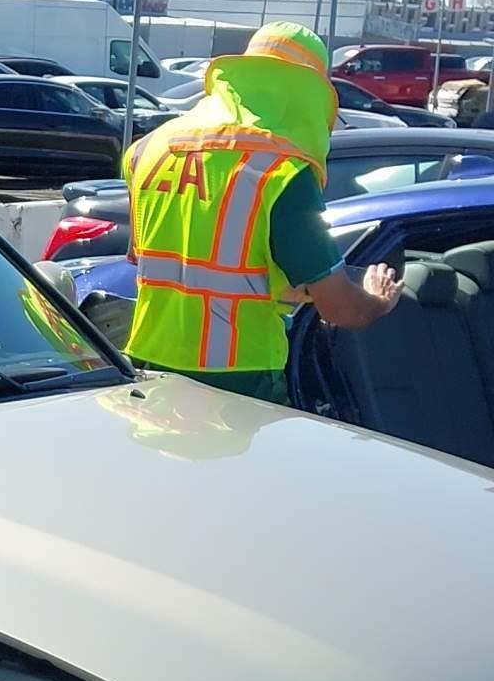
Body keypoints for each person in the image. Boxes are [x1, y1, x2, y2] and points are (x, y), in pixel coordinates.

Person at [121, 22, 401, 404]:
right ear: (307, 91)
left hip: (146, 370)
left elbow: (171, 262)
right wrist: (378, 299)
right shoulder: (282, 172)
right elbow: (342, 310)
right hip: (238, 385)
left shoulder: (149, 149)